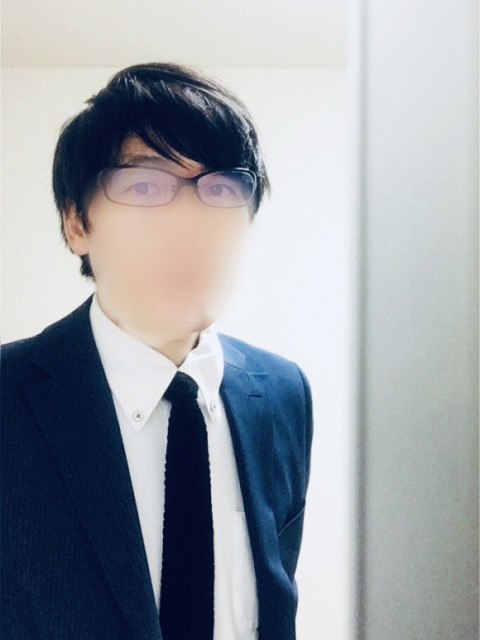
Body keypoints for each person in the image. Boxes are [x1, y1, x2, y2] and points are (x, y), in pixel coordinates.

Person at [1, 62, 313, 640]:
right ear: (76, 224)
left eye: (221, 187)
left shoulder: (283, 392)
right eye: (143, 186)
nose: (190, 222)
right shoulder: (9, 396)